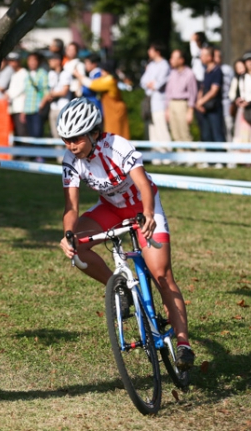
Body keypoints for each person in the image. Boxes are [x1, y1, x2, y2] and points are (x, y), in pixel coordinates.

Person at [57, 97, 196, 370]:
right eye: (65, 139)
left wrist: (147, 214)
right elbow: (71, 206)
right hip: (110, 209)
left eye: (76, 138)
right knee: (78, 250)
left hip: (144, 207)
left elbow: (144, 184)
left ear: (94, 133)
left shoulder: (117, 146)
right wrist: (68, 234)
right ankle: (120, 288)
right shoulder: (70, 159)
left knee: (161, 275)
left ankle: (183, 343)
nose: (71, 145)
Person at [74, 60, 130, 139]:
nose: (101, 72)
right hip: (111, 111)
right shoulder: (107, 79)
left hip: (115, 112)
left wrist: (79, 75)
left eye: (103, 70)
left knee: (116, 136)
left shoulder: (109, 81)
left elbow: (92, 84)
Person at [140, 43, 172, 162]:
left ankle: (167, 156)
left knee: (161, 128)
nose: (149, 52)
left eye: (151, 49)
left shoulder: (164, 65)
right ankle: (156, 157)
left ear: (157, 51)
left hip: (160, 102)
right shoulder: (151, 65)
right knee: (152, 129)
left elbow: (158, 84)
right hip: (150, 101)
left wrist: (151, 83)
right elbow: (143, 81)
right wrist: (150, 83)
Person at [165, 49, 198, 143]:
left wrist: (190, 111)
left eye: (174, 58)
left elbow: (192, 93)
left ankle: (189, 157)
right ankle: (180, 157)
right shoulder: (172, 73)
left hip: (183, 104)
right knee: (175, 135)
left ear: (181, 60)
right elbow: (168, 91)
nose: (171, 60)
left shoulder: (189, 74)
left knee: (185, 134)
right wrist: (167, 108)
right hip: (172, 104)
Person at [196, 46, 225, 145]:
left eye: (203, 55)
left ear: (209, 57)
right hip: (205, 109)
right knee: (206, 135)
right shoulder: (206, 71)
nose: (201, 58)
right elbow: (202, 87)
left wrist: (201, 101)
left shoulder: (217, 71)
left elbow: (214, 91)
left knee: (217, 134)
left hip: (214, 109)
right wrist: (199, 103)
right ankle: (210, 160)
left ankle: (221, 159)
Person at [44, 52, 72, 137]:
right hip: (53, 107)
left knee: (64, 135)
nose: (49, 62)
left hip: (63, 108)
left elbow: (64, 92)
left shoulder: (66, 74)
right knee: (55, 135)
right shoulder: (51, 74)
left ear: (58, 61)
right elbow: (50, 89)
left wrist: (52, 94)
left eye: (51, 60)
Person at [22, 52, 48, 138]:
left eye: (34, 60)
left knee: (37, 134)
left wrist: (41, 106)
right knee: (30, 136)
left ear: (38, 62)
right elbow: (26, 93)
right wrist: (23, 111)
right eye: (30, 60)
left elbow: (46, 91)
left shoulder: (42, 73)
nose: (32, 62)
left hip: (37, 110)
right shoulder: (27, 74)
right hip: (28, 109)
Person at [6, 52, 28, 138]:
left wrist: (8, 94)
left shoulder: (24, 73)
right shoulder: (14, 74)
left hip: (20, 108)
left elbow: (19, 90)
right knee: (15, 133)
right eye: (10, 61)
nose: (12, 63)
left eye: (14, 61)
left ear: (19, 62)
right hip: (13, 108)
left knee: (22, 133)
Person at [215, 48, 234, 141]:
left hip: (226, 101)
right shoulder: (210, 70)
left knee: (228, 127)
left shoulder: (227, 69)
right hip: (215, 104)